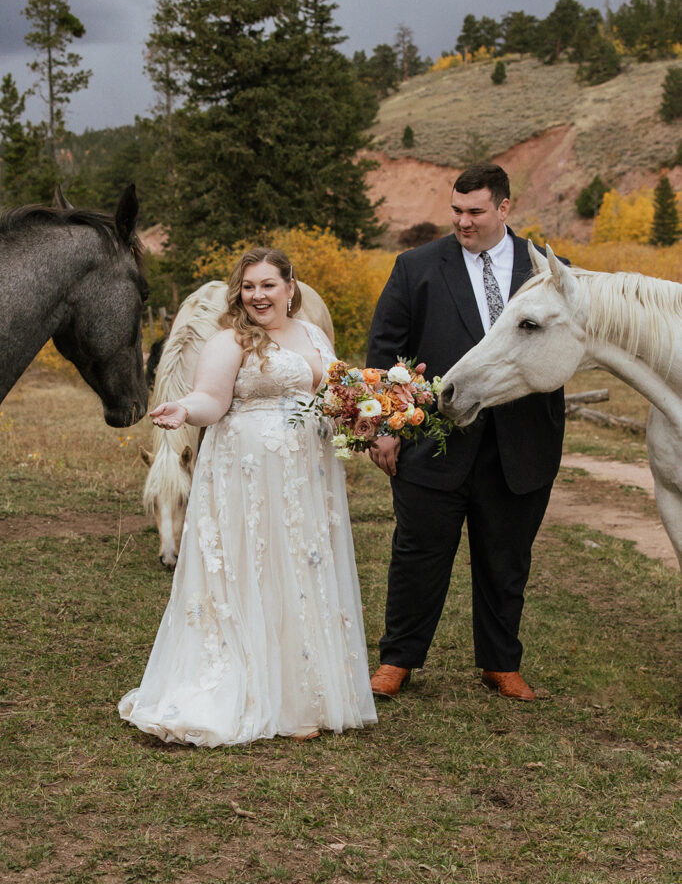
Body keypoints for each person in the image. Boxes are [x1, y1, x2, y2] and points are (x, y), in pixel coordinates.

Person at [119, 248, 377, 745]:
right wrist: (183, 410)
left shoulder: (313, 335)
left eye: (268, 285)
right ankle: (254, 692)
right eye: (249, 286)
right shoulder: (229, 340)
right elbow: (212, 399)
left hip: (307, 475)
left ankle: (304, 694)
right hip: (247, 475)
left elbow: (335, 390)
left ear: (290, 287)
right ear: (239, 293)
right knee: (255, 569)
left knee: (301, 568)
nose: (258, 295)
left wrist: (375, 407)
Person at [366, 163, 565, 702]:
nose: (462, 221)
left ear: (504, 208)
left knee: (506, 560)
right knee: (417, 555)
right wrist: (384, 426)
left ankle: (501, 664)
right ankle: (397, 660)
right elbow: (385, 351)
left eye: (475, 211)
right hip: (431, 443)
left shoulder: (550, 270)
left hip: (522, 445)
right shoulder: (416, 268)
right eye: (456, 210)